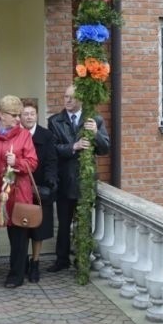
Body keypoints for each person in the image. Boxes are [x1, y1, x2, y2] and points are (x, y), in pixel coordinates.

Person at [48, 85, 110, 272]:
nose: (68, 100)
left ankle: (82, 260)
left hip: (85, 181)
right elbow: (52, 149)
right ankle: (62, 260)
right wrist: (73, 147)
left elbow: (105, 148)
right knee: (64, 224)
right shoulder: (55, 121)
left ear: (80, 100)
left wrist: (95, 134)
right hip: (65, 179)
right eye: (66, 96)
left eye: (72, 97)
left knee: (84, 223)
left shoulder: (94, 120)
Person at [0, 95, 38, 290]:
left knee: (19, 235)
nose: (18, 119)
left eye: (19, 115)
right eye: (14, 115)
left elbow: (32, 162)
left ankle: (16, 275)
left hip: (18, 187)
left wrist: (17, 163)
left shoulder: (24, 135)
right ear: (1, 115)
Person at [20, 99, 58, 282]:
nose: (28, 117)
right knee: (21, 228)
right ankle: (21, 262)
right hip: (19, 190)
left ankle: (35, 263)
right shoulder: (16, 134)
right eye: (25, 114)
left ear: (37, 115)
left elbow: (51, 161)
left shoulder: (46, 135)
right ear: (20, 116)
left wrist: (50, 182)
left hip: (40, 189)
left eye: (31, 114)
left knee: (38, 230)